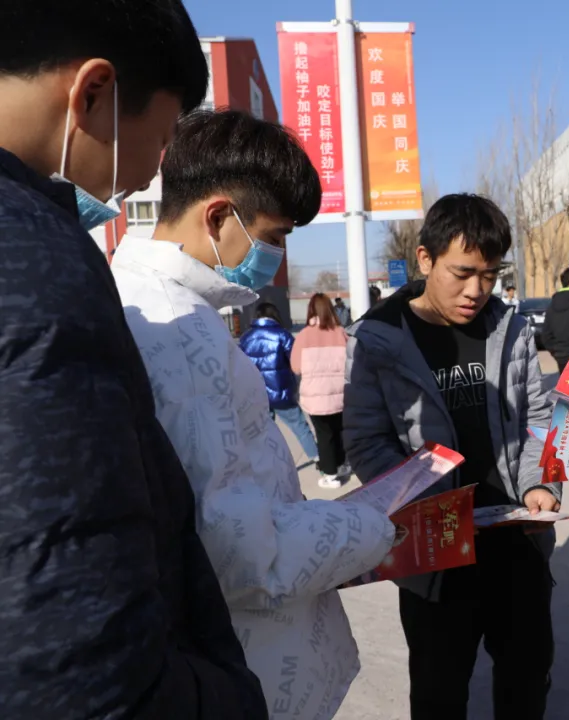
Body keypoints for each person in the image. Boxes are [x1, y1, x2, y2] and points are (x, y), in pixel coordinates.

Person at [0, 3, 268, 717]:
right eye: (165, 133)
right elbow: (81, 660)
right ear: (93, 92)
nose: (156, 167)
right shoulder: (37, 262)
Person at [110, 109, 395, 720]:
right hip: (249, 666)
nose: (278, 256)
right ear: (218, 217)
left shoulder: (160, 303)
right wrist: (373, 525)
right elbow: (243, 556)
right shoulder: (179, 330)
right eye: (275, 236)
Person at [344, 193, 559, 720]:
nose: (476, 291)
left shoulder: (509, 329)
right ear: (425, 259)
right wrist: (421, 501)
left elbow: (537, 418)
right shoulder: (379, 339)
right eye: (462, 273)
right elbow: (367, 441)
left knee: (527, 680)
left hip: (515, 540)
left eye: (489, 275)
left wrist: (541, 484)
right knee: (439, 693)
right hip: (434, 551)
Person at [239, 302, 320, 463]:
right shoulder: (282, 335)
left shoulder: (245, 338)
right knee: (300, 427)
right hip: (282, 393)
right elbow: (297, 362)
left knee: (262, 432)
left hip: (257, 394)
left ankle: (263, 463)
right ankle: (318, 459)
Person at [293, 293, 352, 488]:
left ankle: (330, 475)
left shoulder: (304, 336)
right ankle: (342, 465)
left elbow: (296, 367)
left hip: (315, 397)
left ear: (311, 310)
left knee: (324, 435)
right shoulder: (341, 333)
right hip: (341, 394)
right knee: (340, 431)